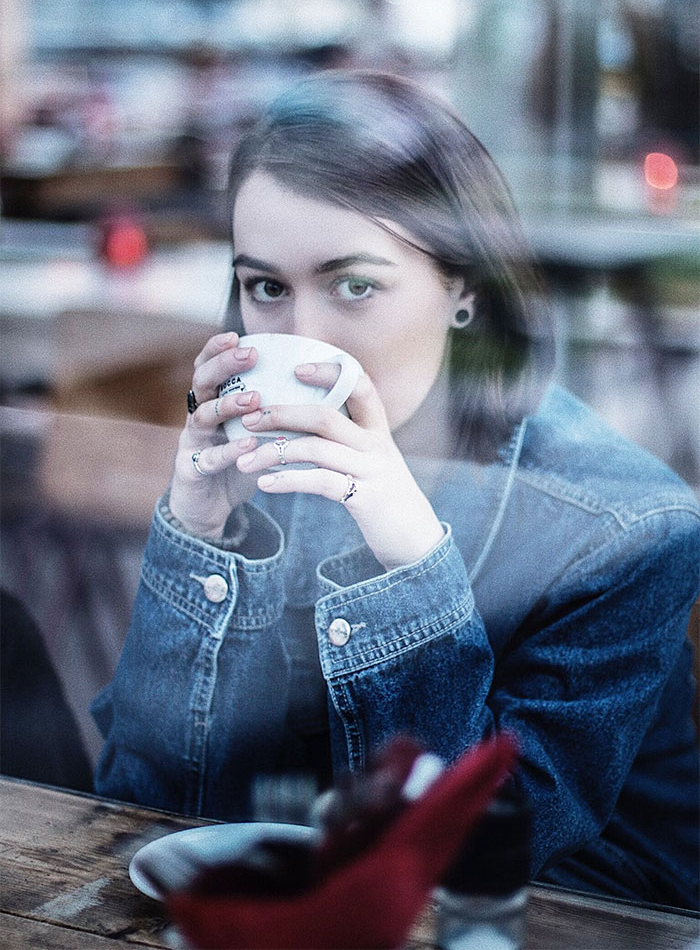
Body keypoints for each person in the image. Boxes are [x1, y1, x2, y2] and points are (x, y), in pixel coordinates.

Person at [92, 70, 700, 909]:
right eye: (266, 287)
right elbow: (135, 805)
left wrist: (409, 562)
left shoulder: (629, 525)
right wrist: (197, 538)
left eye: (353, 285)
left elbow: (486, 855)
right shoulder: (260, 480)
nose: (302, 337)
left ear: (466, 288)